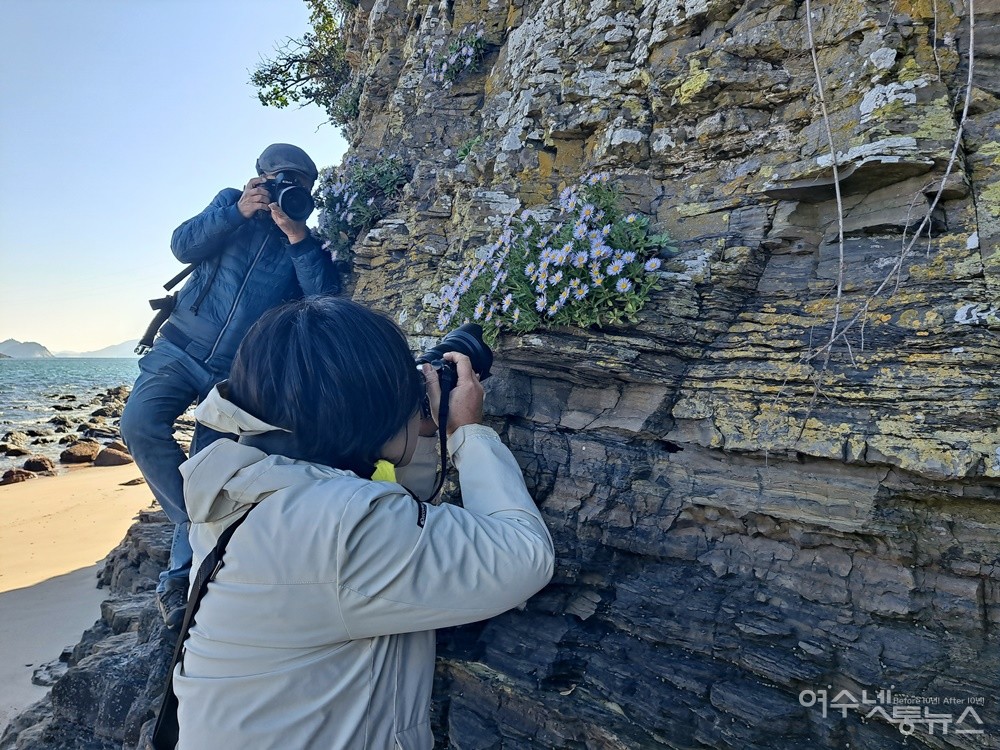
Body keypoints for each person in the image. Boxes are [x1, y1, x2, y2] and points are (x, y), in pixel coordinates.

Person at [170, 296, 554, 749]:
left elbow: (377, 495)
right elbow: (524, 556)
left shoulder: (254, 484)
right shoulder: (337, 523)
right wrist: (465, 431)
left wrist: (404, 425)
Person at [119, 144, 341, 629]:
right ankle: (189, 520)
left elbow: (324, 300)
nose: (289, 188)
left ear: (309, 191)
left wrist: (298, 239)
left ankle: (179, 580)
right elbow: (183, 245)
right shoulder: (229, 204)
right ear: (258, 177)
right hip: (179, 347)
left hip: (237, 373)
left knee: (207, 469)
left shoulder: (304, 237)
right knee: (138, 423)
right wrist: (238, 212)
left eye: (300, 184)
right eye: (281, 178)